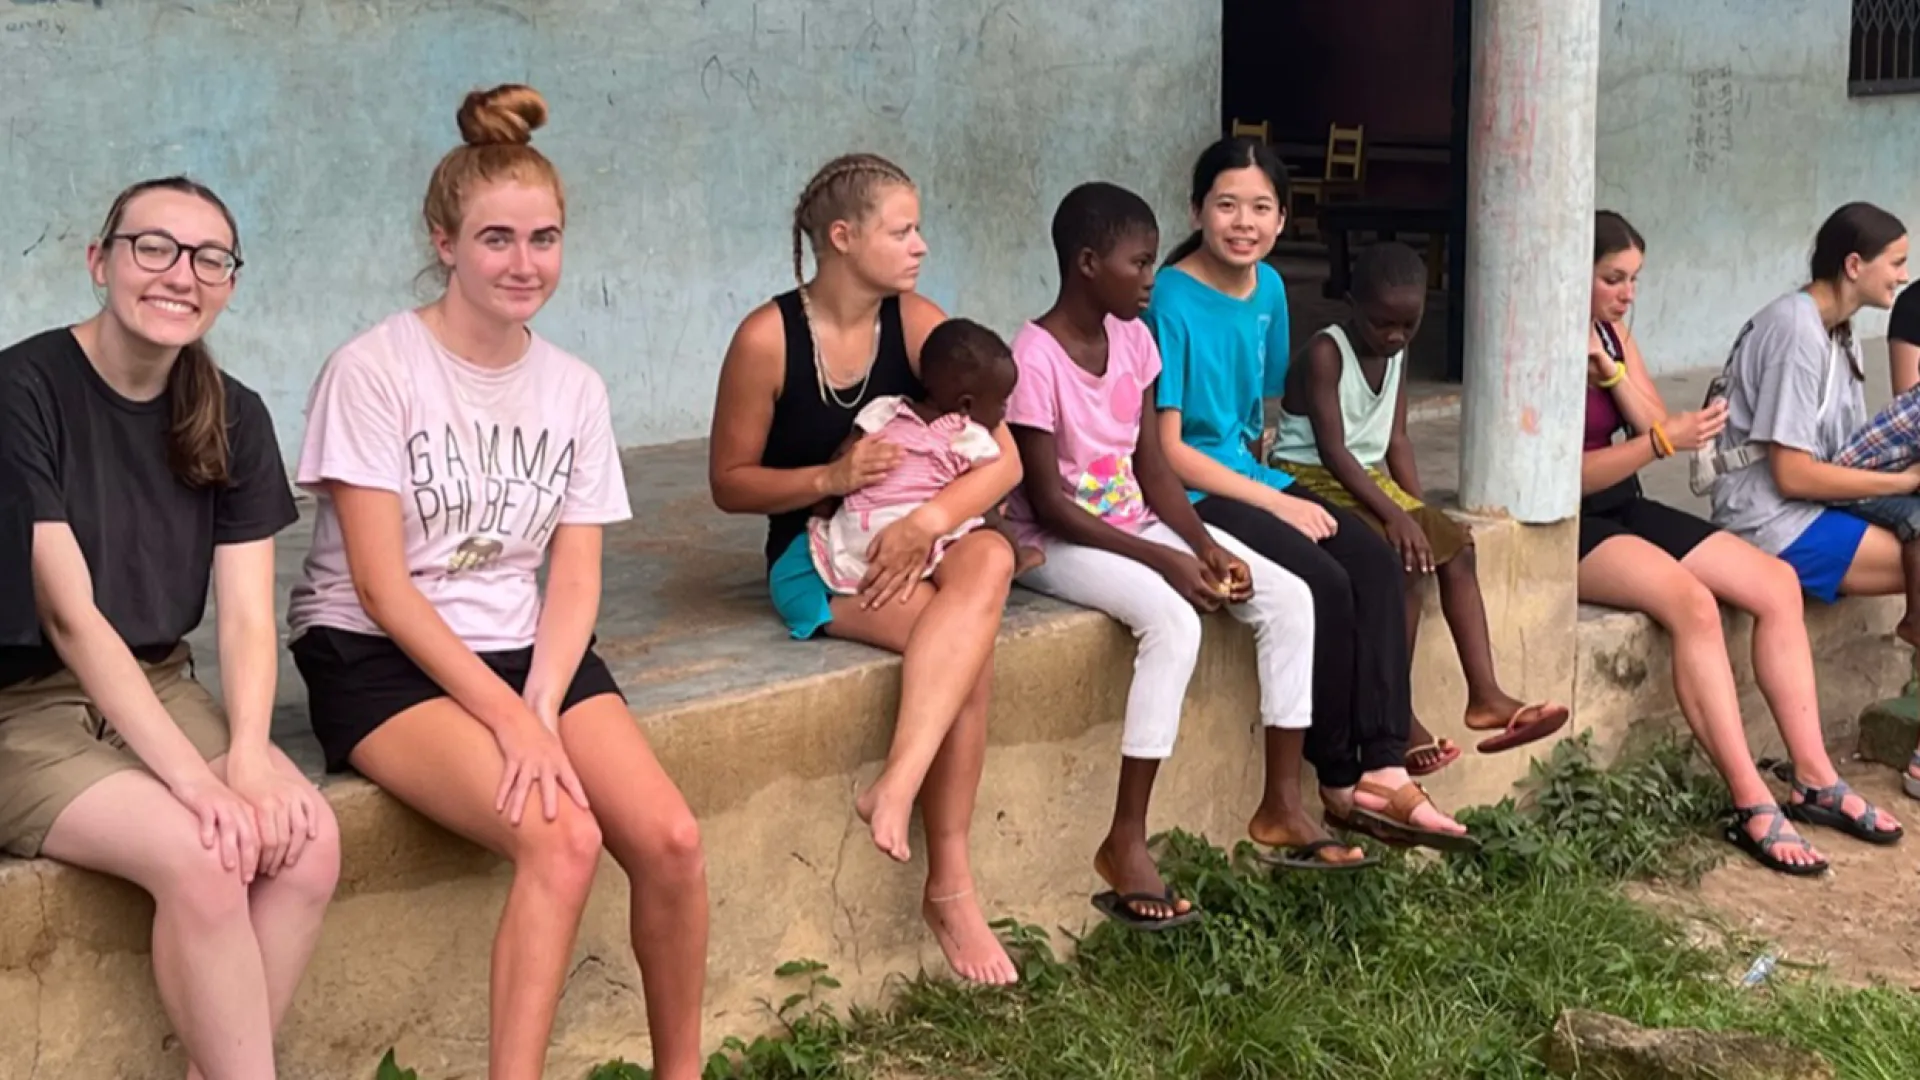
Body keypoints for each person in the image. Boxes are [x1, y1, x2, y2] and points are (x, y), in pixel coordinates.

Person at [285, 86, 709, 1080]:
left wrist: (543, 703)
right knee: (563, 841)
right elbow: (381, 587)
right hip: (376, 652)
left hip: (525, 647)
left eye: (544, 239)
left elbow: (575, 574)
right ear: (444, 243)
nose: (525, 263)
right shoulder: (374, 370)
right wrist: (511, 721)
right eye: (496, 239)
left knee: (673, 840)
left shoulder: (574, 388)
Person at [0, 177, 340, 1078]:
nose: (180, 274)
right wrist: (198, 784)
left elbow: (246, 615)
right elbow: (69, 617)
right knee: (205, 852)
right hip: (20, 705)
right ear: (99, 260)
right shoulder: (21, 389)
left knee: (308, 844)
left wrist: (250, 757)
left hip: (156, 681)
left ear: (229, 282)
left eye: (208, 258)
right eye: (153, 247)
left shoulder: (233, 412)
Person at [707, 152, 1023, 984]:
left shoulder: (916, 322)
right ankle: (950, 884)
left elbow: (1005, 462)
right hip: (818, 558)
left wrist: (926, 523)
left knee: (991, 552)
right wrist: (832, 478)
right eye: (903, 230)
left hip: (916, 542)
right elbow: (729, 483)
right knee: (967, 653)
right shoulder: (767, 339)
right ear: (843, 238)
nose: (921, 245)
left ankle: (897, 785)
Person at [1008, 182, 1355, 930]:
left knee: (1289, 596)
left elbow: (1154, 469)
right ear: (1087, 263)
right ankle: (1125, 838)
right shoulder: (1033, 358)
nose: (1150, 277)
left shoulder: (1134, 341)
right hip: (1059, 540)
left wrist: (1204, 545)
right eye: (1137, 264)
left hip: (1134, 520)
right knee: (1174, 622)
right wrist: (1163, 561)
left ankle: (1281, 803)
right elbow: (1048, 503)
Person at [1145, 136, 1475, 852]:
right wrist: (1277, 502)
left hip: (1251, 473)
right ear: (1196, 210)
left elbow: (1256, 415)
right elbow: (1171, 449)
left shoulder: (1267, 288)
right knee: (1323, 580)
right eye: (1226, 205)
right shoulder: (1169, 298)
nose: (1243, 223)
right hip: (1193, 488)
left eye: (1260, 207)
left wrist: (1277, 485)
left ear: (1283, 218)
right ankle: (1337, 778)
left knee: (1376, 562)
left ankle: (1385, 765)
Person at [1578, 209, 1899, 873]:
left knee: (1775, 585)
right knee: (1692, 604)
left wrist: (1612, 373)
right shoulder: (1538, 345)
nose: (1628, 294)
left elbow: (1658, 424)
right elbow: (1566, 475)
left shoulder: (1611, 334)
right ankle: (1750, 799)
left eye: (1634, 279)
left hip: (1624, 500)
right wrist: (1658, 441)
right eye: (1613, 279)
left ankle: (1814, 779)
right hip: (1570, 519)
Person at [1271, 241, 1570, 755]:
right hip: (1309, 474)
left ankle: (1485, 695)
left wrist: (1423, 513)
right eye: (1382, 323)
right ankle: (1398, 713)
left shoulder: (1397, 353)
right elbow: (1333, 451)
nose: (1394, 335)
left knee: (1458, 549)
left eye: (1408, 325)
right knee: (1400, 563)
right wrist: (1397, 517)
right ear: (1352, 305)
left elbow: (1398, 441)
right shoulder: (1326, 353)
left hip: (1363, 475)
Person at [1706, 201, 1920, 818]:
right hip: (1770, 518)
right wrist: (1901, 482)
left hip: (1813, 503)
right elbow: (1793, 474)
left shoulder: (1837, 329)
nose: (1903, 276)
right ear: (1854, 265)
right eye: (1895, 262)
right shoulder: (1796, 330)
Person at [808, 318, 1036, 596]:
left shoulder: (885, 411)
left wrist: (824, 508)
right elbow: (992, 484)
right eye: (1001, 402)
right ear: (966, 404)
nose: (1004, 412)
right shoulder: (968, 436)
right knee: (983, 509)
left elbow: (844, 456)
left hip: (855, 537)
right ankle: (1018, 555)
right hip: (908, 538)